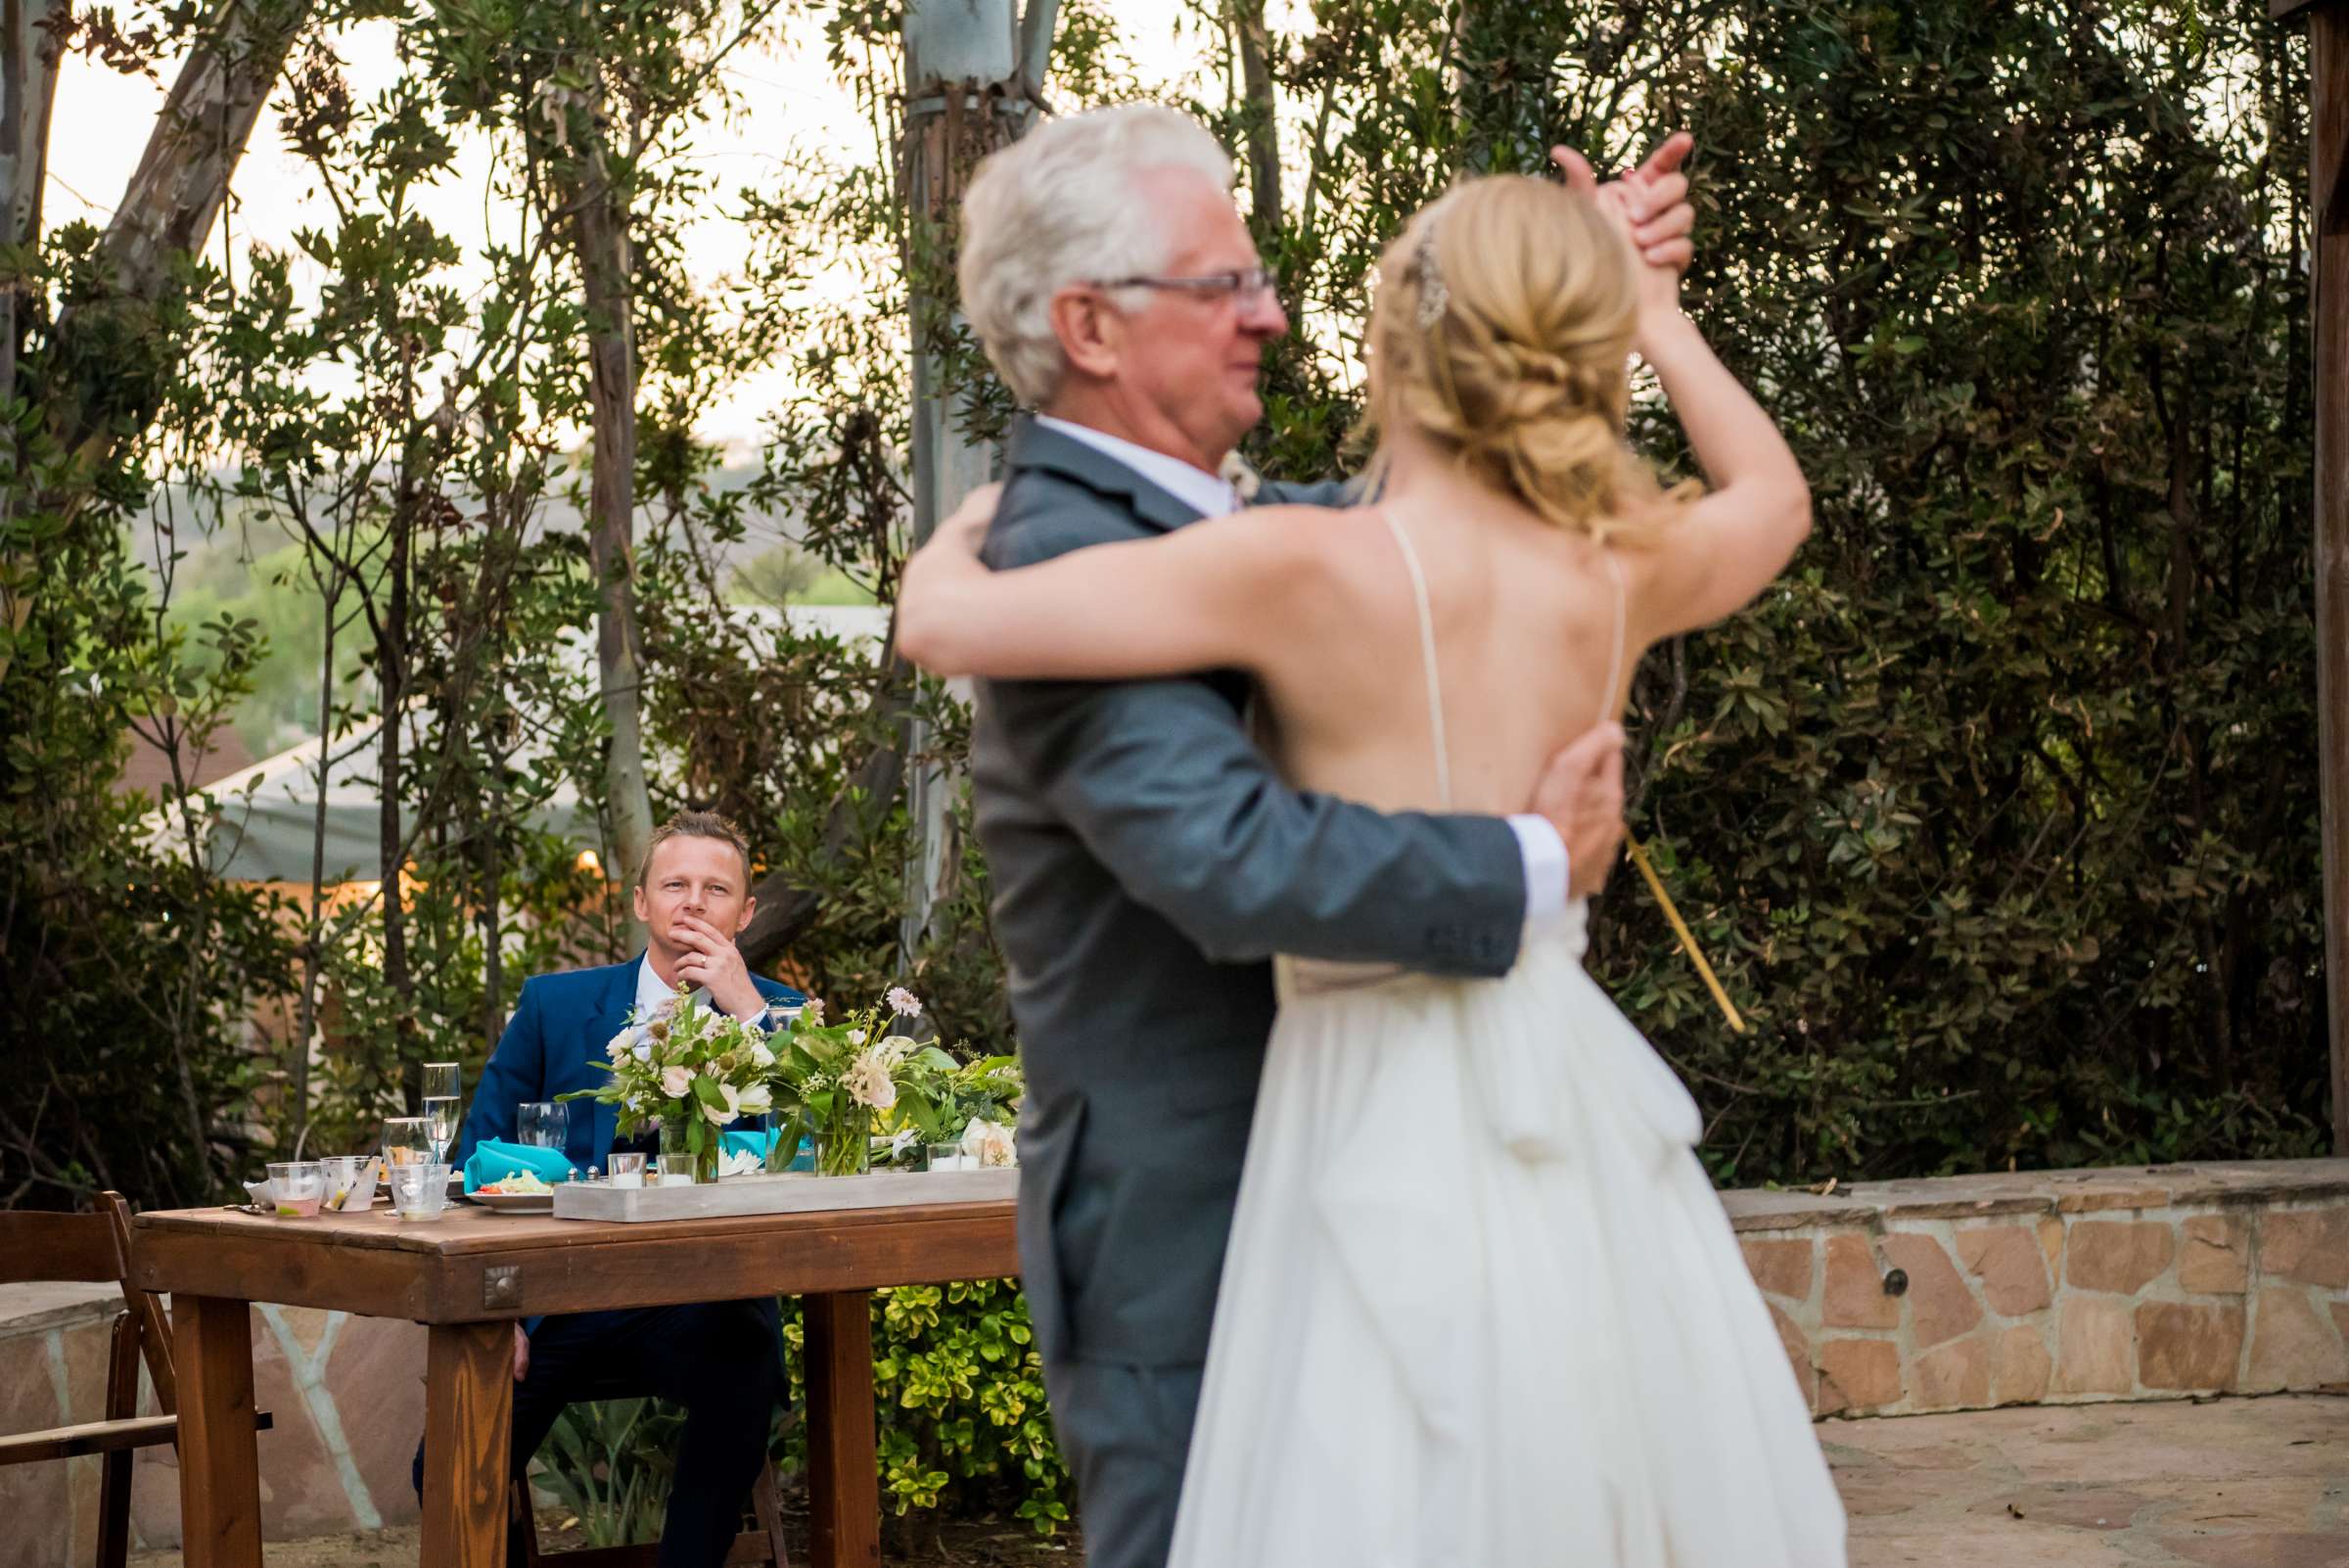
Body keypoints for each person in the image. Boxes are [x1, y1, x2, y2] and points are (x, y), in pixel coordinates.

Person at [897, 155, 1845, 1562]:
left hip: (1363, 1105)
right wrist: (1651, 308)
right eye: (1229, 284)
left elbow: (952, 628)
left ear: (1399, 345)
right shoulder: (1609, 564)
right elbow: (1770, 499)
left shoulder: (1296, 557)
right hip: (1561, 1107)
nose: (1267, 316)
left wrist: (942, 567)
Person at [415, 810, 804, 1568]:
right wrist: (506, 1314)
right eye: (675, 884)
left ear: (745, 913)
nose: (694, 902)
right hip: (561, 1301)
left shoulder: (781, 1014)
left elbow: (815, 1149)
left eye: (716, 888)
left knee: (746, 1365)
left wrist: (747, 1009)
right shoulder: (555, 1007)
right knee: (445, 1472)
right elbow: (475, 1161)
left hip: (703, 1300)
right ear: (640, 903)